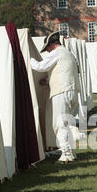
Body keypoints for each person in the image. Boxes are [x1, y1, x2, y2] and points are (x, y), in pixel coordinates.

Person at [30, 31, 80, 163]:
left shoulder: (56, 53)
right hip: (73, 91)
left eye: (47, 48)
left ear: (52, 45)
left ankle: (66, 154)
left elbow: (40, 66)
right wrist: (47, 80)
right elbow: (63, 72)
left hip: (61, 92)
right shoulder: (68, 53)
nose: (47, 51)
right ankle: (71, 152)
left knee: (59, 124)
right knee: (66, 123)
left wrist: (28, 58)